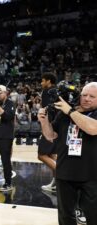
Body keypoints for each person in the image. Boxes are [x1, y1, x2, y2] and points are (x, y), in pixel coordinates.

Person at [38, 82, 97, 225]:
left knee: (93, 216)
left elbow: (93, 128)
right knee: (65, 217)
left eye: (92, 96)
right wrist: (44, 121)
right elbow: (51, 136)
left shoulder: (70, 111)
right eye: (84, 95)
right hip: (65, 172)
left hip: (91, 174)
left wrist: (70, 111)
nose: (86, 99)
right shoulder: (64, 113)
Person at [38, 72, 57, 192]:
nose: (41, 83)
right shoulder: (57, 91)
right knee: (52, 155)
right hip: (57, 128)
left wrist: (44, 128)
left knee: (42, 155)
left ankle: (63, 173)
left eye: (43, 81)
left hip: (49, 128)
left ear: (49, 81)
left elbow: (45, 112)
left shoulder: (47, 92)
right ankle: (56, 183)